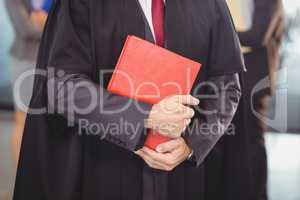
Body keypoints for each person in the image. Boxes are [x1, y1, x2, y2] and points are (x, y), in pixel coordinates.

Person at [13, 0, 251, 200]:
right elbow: (62, 88)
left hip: (183, 177)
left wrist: (192, 144)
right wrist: (146, 115)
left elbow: (227, 85)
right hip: (105, 169)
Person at [228, 0, 284, 199]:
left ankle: (258, 195)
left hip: (255, 84)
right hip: (242, 82)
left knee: (252, 143)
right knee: (241, 143)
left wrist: (220, 30)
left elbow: (258, 36)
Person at [5, 0, 48, 165]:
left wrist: (43, 20)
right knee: (23, 120)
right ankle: (20, 177)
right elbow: (26, 29)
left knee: (43, 123)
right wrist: (50, 24)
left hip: (47, 62)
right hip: (25, 63)